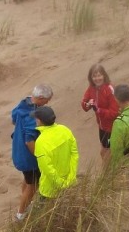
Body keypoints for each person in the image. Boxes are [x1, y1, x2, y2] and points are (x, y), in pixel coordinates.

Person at [11, 83, 53, 220]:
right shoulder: (32, 114)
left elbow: (13, 117)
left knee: (28, 180)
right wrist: (38, 155)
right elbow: (29, 140)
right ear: (40, 98)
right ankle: (21, 214)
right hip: (28, 157)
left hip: (17, 150)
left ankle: (25, 204)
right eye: (47, 100)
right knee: (33, 184)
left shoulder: (24, 102)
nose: (47, 103)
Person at [29, 106, 79, 199]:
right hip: (69, 183)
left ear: (39, 121)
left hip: (49, 190)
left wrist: (60, 184)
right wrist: (70, 178)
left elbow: (46, 168)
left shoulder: (41, 141)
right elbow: (74, 155)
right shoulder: (65, 130)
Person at [81, 63, 119, 160]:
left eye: (99, 75)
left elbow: (114, 113)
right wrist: (87, 104)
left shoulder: (109, 89)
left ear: (104, 75)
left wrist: (99, 110)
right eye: (94, 76)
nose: (97, 78)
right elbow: (84, 104)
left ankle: (109, 174)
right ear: (91, 77)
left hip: (112, 127)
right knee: (104, 152)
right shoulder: (92, 88)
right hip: (102, 126)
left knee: (107, 153)